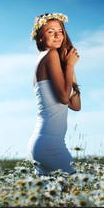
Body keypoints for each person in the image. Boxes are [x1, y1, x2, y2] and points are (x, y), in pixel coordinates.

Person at [27, 12, 81, 175]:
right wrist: (70, 65)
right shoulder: (50, 55)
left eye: (60, 30)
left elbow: (76, 105)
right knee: (76, 193)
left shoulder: (50, 59)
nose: (58, 35)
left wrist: (70, 67)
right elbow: (64, 99)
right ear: (41, 37)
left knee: (55, 199)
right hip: (49, 145)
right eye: (51, 31)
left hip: (47, 143)